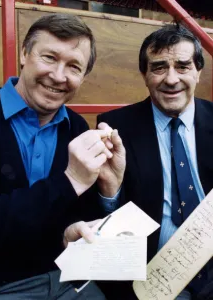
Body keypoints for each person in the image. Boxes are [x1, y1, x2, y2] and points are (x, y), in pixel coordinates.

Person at [0, 13, 126, 300]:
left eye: (74, 67)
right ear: (24, 54)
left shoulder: (75, 128)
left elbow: (74, 218)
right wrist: (70, 180)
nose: (59, 76)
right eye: (49, 57)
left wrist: (108, 191)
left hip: (62, 279)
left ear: (83, 77)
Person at [64, 24, 213, 300]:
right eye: (158, 68)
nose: (171, 79)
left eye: (182, 66)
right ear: (144, 75)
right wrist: (111, 190)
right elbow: (102, 218)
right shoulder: (117, 127)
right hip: (155, 276)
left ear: (198, 71)